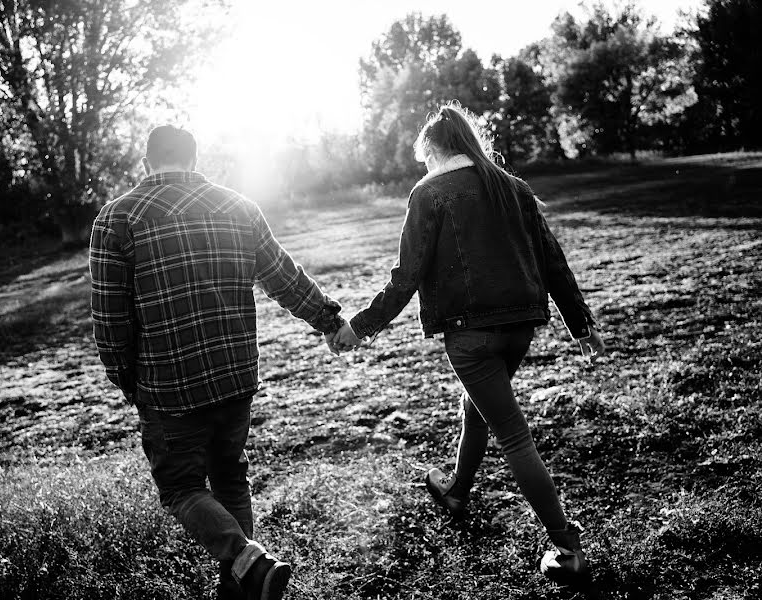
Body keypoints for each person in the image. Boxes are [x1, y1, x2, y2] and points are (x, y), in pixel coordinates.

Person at [332, 102, 606, 585]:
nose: (425, 165)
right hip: (520, 325)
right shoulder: (512, 186)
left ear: (434, 148)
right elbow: (552, 258)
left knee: (513, 435)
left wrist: (360, 327)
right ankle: (458, 490)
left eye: (424, 156)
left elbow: (406, 277)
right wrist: (579, 323)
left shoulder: (430, 192)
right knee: (475, 407)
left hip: (470, 334)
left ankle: (566, 546)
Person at [89, 125, 345, 600]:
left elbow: (111, 322)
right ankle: (243, 585)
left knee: (181, 487)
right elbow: (284, 278)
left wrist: (131, 385)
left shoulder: (116, 219)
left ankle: (249, 560)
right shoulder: (239, 207)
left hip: (169, 388)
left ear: (146, 162)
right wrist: (328, 320)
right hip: (235, 377)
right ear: (193, 158)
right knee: (230, 475)